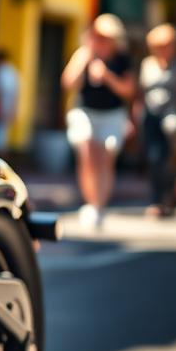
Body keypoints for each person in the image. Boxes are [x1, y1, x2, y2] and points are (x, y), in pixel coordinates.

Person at [61, 13, 136, 228]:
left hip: (112, 114)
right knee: (87, 153)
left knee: (105, 158)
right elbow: (68, 82)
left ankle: (99, 205)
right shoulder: (84, 54)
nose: (101, 40)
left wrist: (107, 76)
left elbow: (129, 90)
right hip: (85, 111)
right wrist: (85, 58)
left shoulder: (121, 59)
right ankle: (91, 204)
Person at [137, 23, 176, 217]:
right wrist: (136, 114)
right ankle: (158, 199)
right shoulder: (147, 65)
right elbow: (141, 92)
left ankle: (170, 195)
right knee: (154, 158)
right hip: (150, 116)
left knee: (168, 160)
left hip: (173, 118)